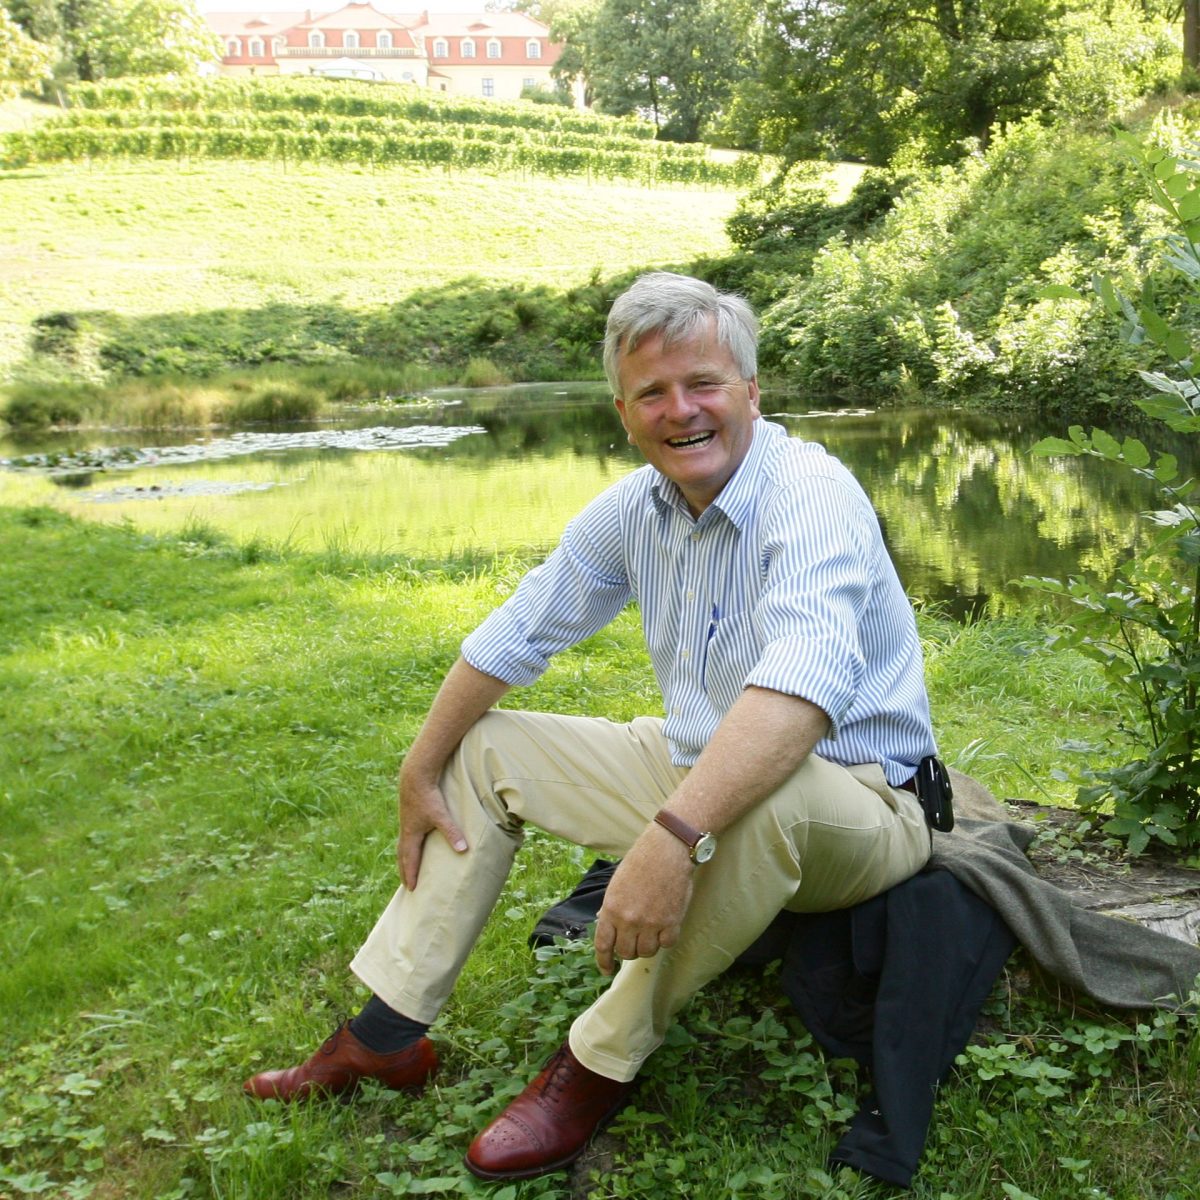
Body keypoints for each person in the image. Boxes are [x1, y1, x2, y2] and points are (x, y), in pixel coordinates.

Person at [242, 271, 937, 1182]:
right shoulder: (635, 508)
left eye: (704, 384)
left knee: (768, 796)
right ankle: (386, 1036)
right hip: (699, 764)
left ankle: (594, 1063)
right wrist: (419, 767)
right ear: (622, 409)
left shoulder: (810, 496)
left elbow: (800, 695)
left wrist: (670, 838)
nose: (680, 410)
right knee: (482, 746)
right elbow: (519, 631)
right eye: (653, 392)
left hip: (860, 800)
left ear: (752, 393)